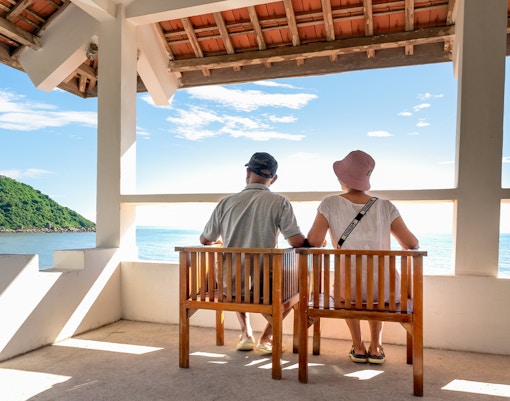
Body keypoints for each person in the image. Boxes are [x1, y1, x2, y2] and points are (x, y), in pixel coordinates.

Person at [306, 150, 419, 364]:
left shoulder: (329, 204)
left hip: (346, 290)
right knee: (378, 287)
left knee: (350, 287)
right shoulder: (386, 206)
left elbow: (313, 241)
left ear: (342, 177)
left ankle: (358, 347)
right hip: (385, 289)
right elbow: (411, 244)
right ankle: (376, 347)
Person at [200, 152, 307, 354]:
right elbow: (295, 241)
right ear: (273, 179)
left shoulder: (226, 202)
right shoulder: (280, 202)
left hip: (229, 287)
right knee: (295, 289)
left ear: (248, 172)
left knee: (233, 270)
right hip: (263, 288)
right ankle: (266, 337)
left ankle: (245, 333)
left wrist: (218, 240)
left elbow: (206, 239)